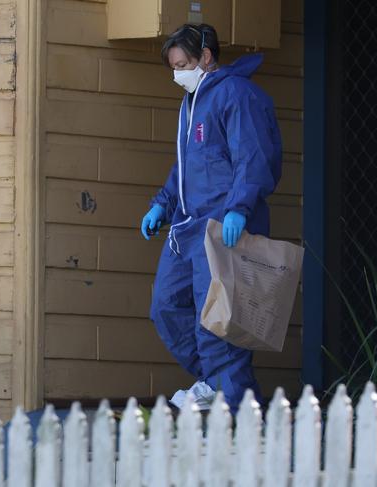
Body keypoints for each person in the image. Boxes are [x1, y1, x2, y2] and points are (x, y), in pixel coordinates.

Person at [141, 24, 282, 412]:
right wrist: (163, 203)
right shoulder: (192, 102)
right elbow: (188, 167)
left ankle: (228, 399)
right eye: (173, 66)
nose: (177, 74)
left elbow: (252, 155)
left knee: (217, 317)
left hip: (223, 222)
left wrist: (239, 207)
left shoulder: (236, 94)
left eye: (183, 64)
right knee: (166, 307)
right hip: (187, 226)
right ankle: (220, 384)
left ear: (205, 57)